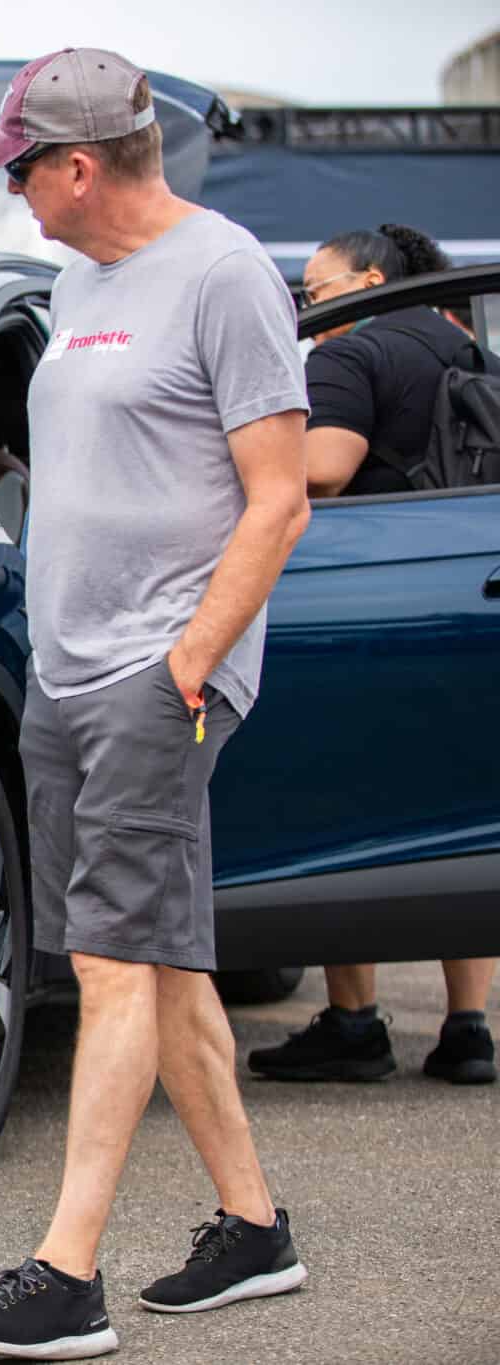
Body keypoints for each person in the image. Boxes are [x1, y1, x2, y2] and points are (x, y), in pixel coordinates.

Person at [0, 49, 314, 1360]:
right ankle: (254, 1228)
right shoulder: (80, 280)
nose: (15, 191)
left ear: (80, 165)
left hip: (162, 670)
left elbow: (281, 494)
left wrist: (192, 658)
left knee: (111, 958)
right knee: (163, 953)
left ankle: (65, 1272)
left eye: (23, 168)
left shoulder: (223, 273)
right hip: (71, 668)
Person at [244, 224, 498, 1085]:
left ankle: (356, 1021)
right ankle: (468, 1028)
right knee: (459, 800)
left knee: (348, 795)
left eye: (315, 292)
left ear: (371, 280)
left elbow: (322, 472)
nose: (307, 310)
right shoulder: (474, 347)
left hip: (372, 598)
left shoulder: (351, 352)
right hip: (469, 596)